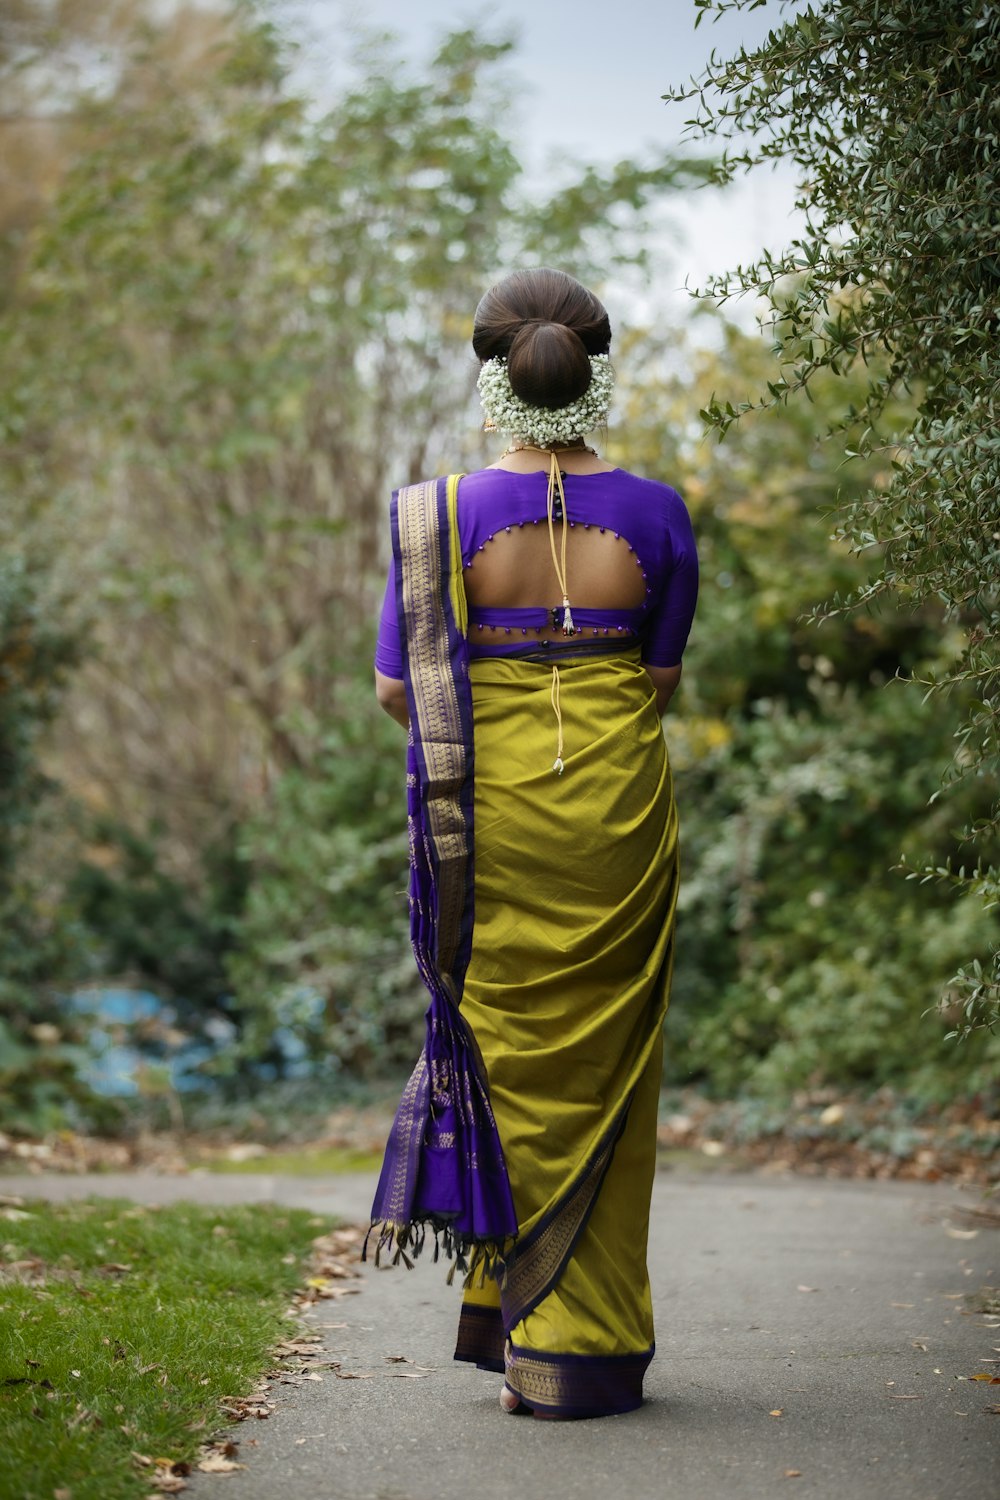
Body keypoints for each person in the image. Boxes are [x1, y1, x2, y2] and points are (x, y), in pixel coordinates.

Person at [368, 267, 698, 1420]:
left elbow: (398, 696)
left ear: (492, 376)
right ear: (590, 371)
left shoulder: (436, 515)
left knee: (504, 1055)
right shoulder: (657, 512)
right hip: (616, 819)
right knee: (608, 1066)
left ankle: (519, 1331)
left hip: (488, 825)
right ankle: (582, 1343)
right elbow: (656, 679)